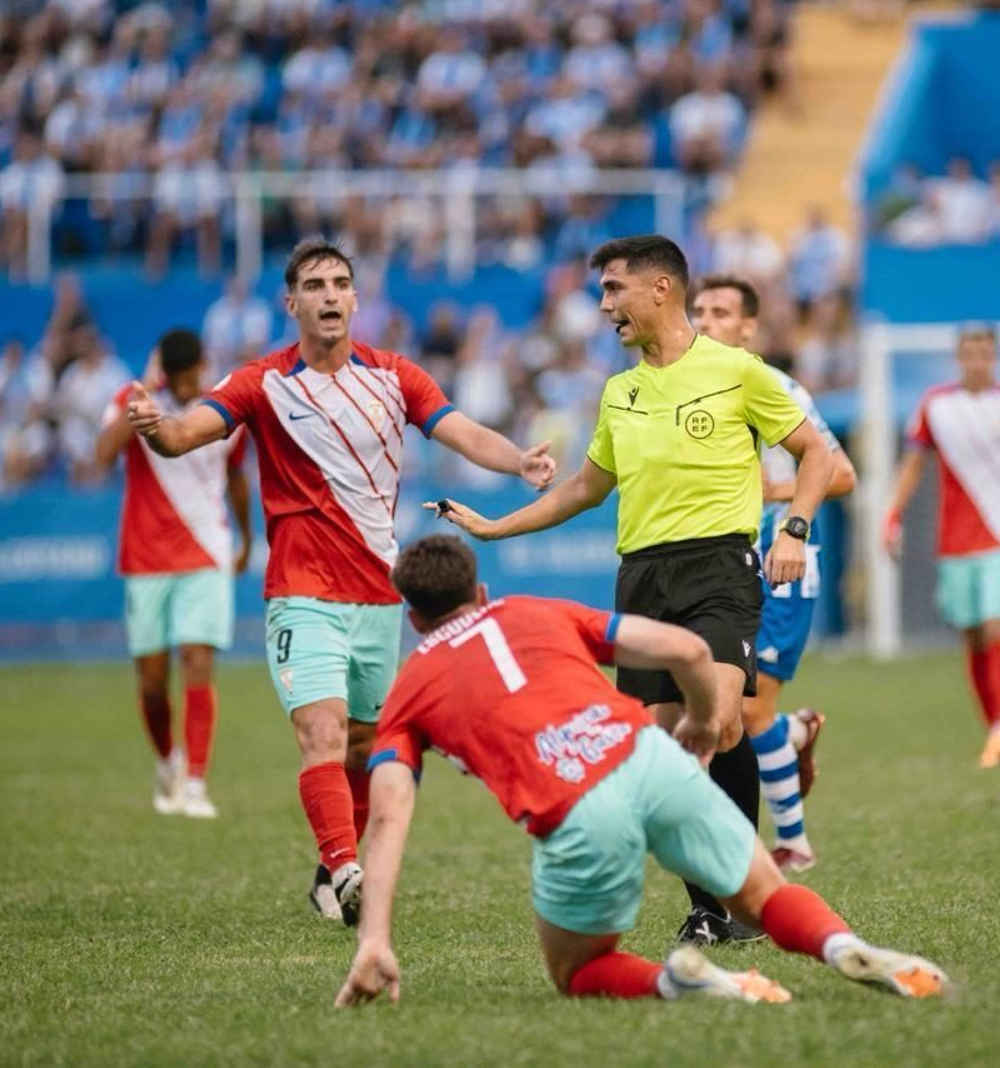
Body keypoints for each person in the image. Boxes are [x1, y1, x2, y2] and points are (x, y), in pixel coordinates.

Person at [125, 239, 557, 923]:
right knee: (321, 735)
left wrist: (518, 462)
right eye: (315, 285)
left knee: (363, 743)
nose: (330, 295)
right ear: (291, 302)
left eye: (341, 283)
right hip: (300, 594)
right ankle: (351, 871)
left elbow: (460, 430)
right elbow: (185, 437)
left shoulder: (395, 377)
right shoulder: (261, 382)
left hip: (379, 596)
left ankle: (331, 872)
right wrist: (156, 428)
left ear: (356, 299)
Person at [334, 536, 947, 1006]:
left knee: (576, 969)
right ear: (482, 591)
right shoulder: (533, 611)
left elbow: (388, 817)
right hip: (647, 757)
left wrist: (374, 940)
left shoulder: (407, 692)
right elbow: (688, 650)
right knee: (764, 897)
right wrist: (704, 722)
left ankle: (688, 984)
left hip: (575, 808)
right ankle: (843, 946)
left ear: (412, 619)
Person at [431, 234, 834, 947]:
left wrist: (794, 530)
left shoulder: (738, 371)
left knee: (720, 717)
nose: (605, 306)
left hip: (719, 567)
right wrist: (497, 528)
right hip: (642, 576)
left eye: (614, 290)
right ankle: (716, 905)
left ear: (660, 290)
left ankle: (740, 895)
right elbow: (588, 487)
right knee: (663, 745)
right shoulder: (620, 390)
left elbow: (817, 453)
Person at [689, 274, 857, 873]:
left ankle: (793, 846)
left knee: (747, 711)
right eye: (699, 310)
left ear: (748, 327)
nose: (705, 320)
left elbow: (842, 474)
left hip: (784, 569)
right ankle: (794, 737)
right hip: (718, 566)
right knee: (727, 708)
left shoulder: (778, 387)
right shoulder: (688, 390)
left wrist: (777, 492)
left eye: (720, 311)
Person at [882, 323, 1000, 769]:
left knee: (996, 629)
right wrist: (891, 516)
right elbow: (913, 465)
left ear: (995, 356)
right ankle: (996, 729)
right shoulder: (936, 405)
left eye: (985, 352)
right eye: (969, 352)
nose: (977, 360)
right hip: (954, 539)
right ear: (958, 357)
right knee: (971, 636)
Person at [96, 329, 253, 818]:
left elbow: (235, 477)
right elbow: (101, 456)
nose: (186, 389)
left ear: (203, 366)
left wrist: (247, 538)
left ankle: (197, 784)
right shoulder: (132, 398)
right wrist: (140, 396)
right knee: (151, 681)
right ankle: (169, 761)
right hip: (145, 557)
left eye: (193, 378)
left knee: (198, 659)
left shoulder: (222, 409)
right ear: (164, 373)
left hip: (207, 550)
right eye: (178, 380)